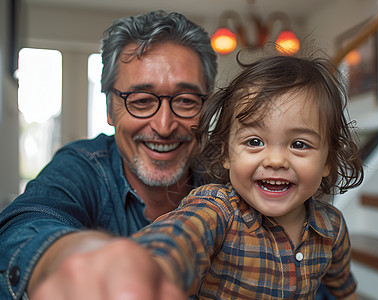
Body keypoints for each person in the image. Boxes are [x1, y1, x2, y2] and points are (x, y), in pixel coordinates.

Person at [0, 10, 217, 300]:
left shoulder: (230, 175)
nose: (164, 126)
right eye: (141, 101)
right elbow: (28, 219)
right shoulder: (82, 165)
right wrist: (67, 255)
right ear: (109, 109)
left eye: (187, 101)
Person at [133, 54, 364, 299]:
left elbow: (344, 289)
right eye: (255, 142)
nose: (275, 160)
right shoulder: (218, 209)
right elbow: (181, 236)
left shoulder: (332, 227)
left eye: (299, 144)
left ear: (327, 161)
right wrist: (150, 264)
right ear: (227, 154)